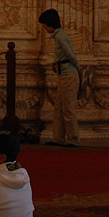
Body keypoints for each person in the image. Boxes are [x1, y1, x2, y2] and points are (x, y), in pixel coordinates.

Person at [39, 8, 81, 147]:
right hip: (64, 74)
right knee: (59, 108)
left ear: (50, 24)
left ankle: (73, 139)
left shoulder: (60, 37)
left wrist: (77, 67)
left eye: (44, 25)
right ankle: (58, 138)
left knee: (67, 108)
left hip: (68, 75)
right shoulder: (59, 35)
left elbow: (70, 54)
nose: (44, 28)